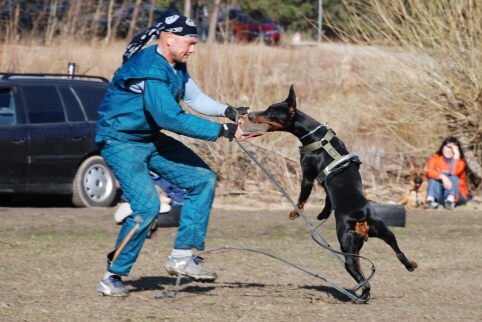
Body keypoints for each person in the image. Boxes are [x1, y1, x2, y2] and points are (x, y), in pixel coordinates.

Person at [95, 14, 249, 297]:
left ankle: (181, 256)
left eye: (194, 44)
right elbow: (170, 118)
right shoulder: (149, 69)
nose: (193, 49)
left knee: (202, 179)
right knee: (147, 208)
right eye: (189, 43)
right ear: (168, 38)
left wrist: (229, 111)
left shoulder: (176, 65)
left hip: (148, 138)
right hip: (119, 141)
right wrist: (223, 131)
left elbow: (193, 98)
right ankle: (112, 276)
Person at [425, 136, 470, 210]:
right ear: (443, 147)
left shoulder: (461, 162)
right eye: (448, 147)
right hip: (441, 193)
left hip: (458, 194)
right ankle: (430, 200)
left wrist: (456, 157)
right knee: (433, 178)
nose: (449, 150)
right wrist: (442, 177)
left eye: (453, 148)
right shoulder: (435, 158)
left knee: (453, 177)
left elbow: (453, 172)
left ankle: (450, 201)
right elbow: (429, 171)